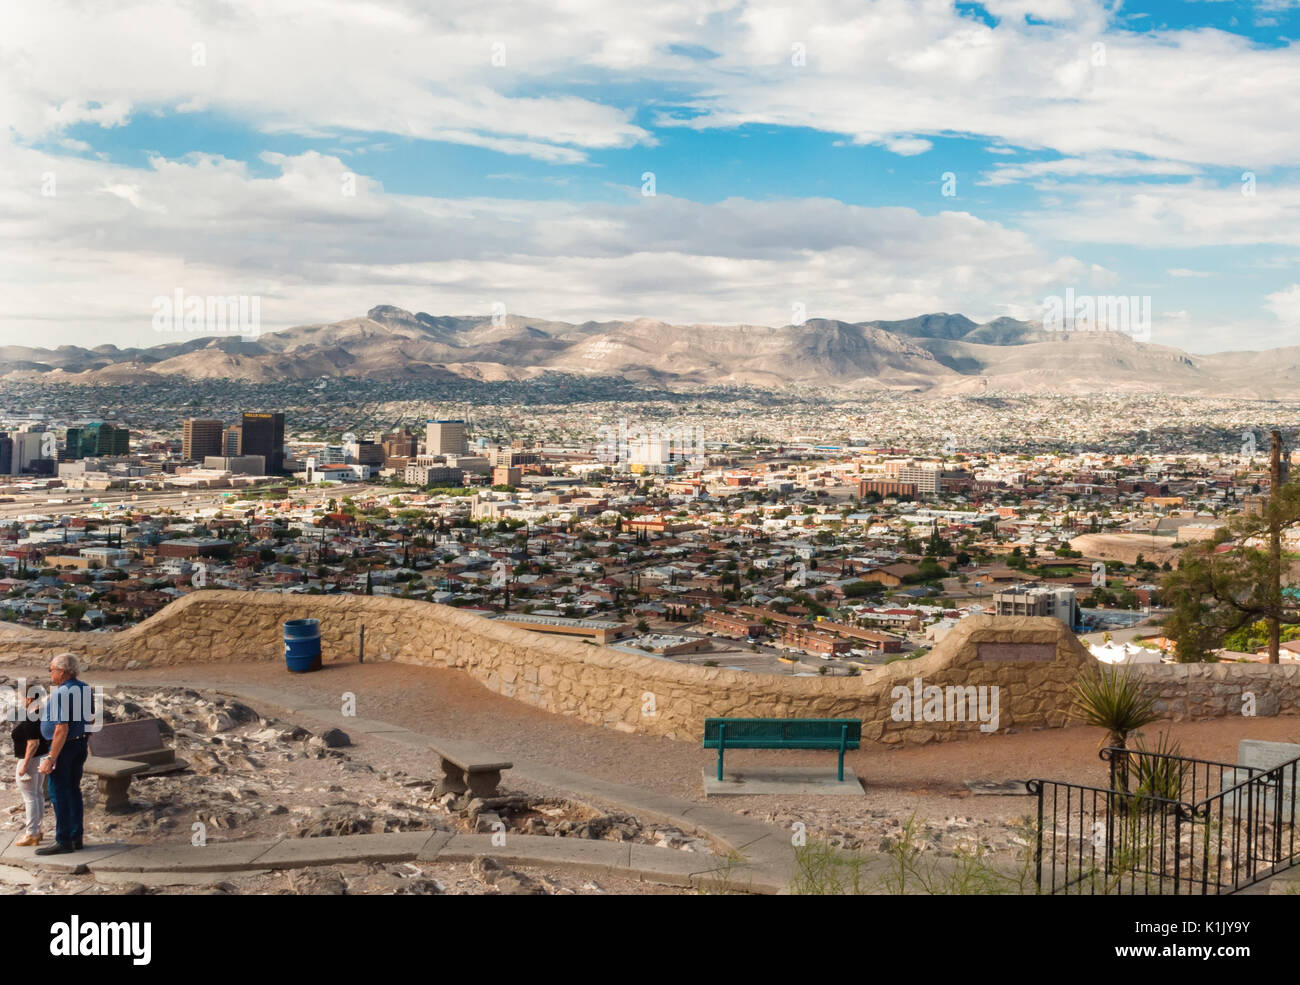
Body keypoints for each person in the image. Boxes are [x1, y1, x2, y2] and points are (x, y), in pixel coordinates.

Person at [35, 654, 95, 856]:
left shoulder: (62, 693)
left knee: (58, 792)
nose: (50, 673)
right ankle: (76, 836)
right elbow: (91, 718)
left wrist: (51, 757)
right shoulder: (85, 688)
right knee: (73, 790)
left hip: (64, 747)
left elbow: (61, 728)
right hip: (79, 745)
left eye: (51, 669)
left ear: (62, 671)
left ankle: (63, 840)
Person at [12, 685, 50, 847]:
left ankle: (31, 834)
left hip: (31, 759)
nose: (18, 701)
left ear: (28, 699)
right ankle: (37, 831)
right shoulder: (42, 713)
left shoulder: (31, 716)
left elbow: (32, 743)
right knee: (37, 794)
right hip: (41, 757)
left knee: (30, 797)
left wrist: (24, 766)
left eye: (19, 698)